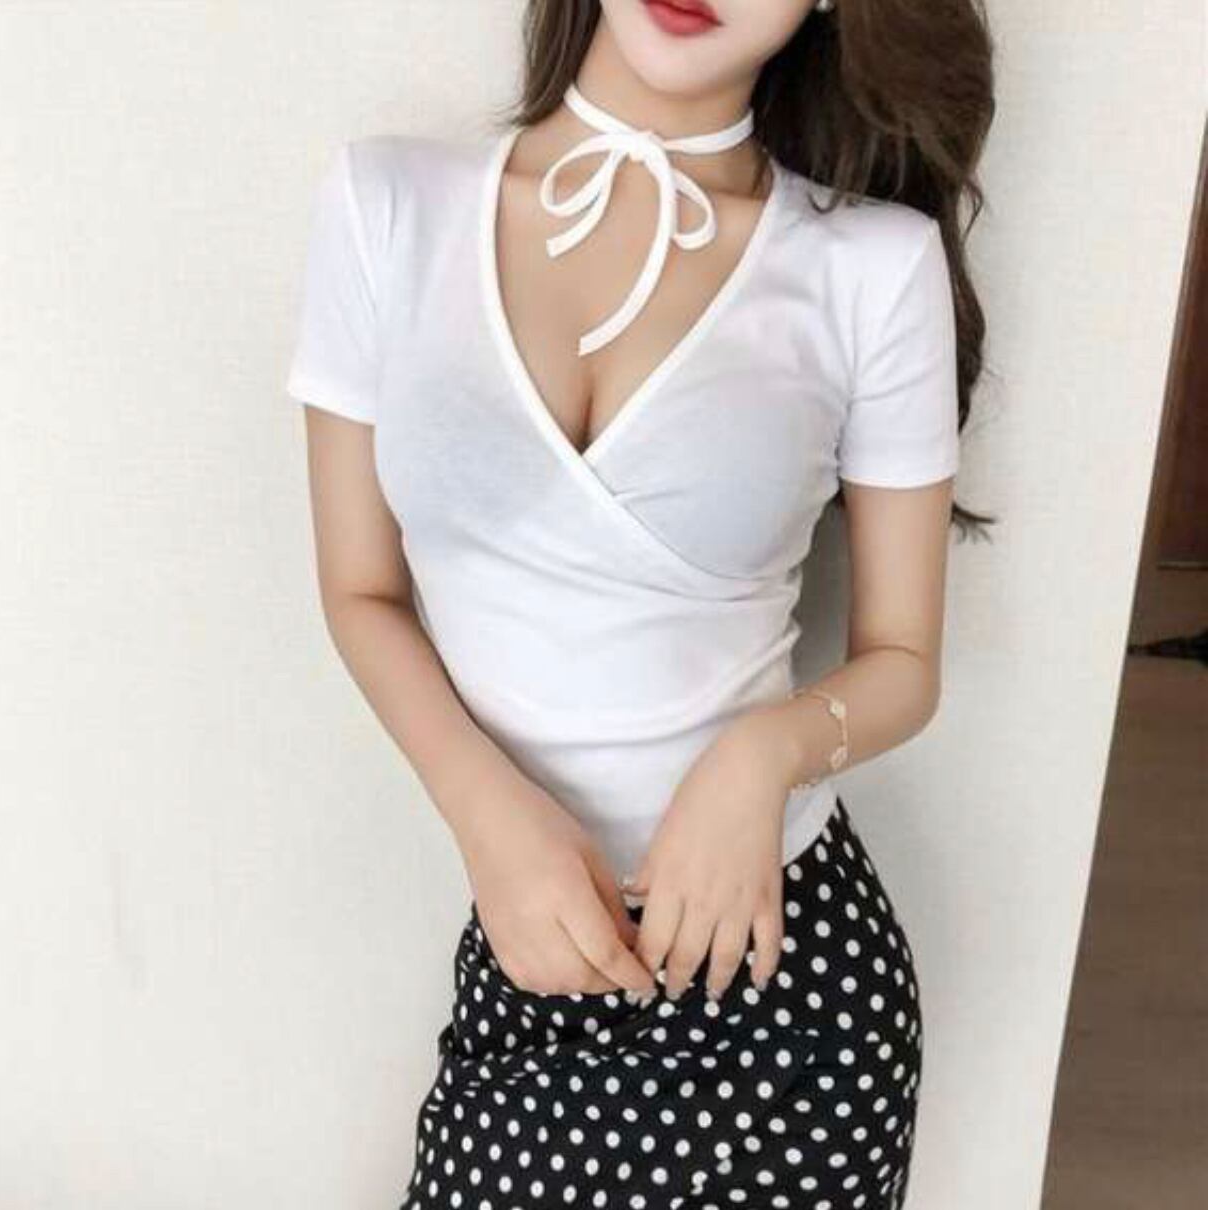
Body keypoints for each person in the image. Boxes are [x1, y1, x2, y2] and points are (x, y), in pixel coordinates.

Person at [284, 1, 995, 1206]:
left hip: (789, 991)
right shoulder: (389, 205)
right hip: (537, 958)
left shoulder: (872, 266)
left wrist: (762, 758)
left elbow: (902, 658)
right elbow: (360, 589)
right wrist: (481, 810)